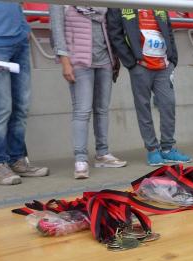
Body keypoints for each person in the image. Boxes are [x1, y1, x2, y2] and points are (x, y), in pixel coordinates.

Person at [107, 8, 192, 165]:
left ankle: (167, 149)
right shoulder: (120, 4)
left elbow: (168, 31)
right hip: (140, 66)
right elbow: (115, 35)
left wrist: (172, 59)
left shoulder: (157, 4)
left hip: (164, 65)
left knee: (168, 105)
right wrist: (132, 63)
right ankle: (152, 150)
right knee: (143, 108)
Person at [50, 5, 127, 179]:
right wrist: (65, 63)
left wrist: (114, 59)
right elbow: (57, 32)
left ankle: (102, 153)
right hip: (78, 62)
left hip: (105, 61)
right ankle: (80, 159)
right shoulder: (61, 4)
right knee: (82, 111)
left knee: (102, 110)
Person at [0, 1, 49, 186]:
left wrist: (24, 28)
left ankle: (16, 160)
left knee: (21, 106)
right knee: (0, 108)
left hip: (19, 43)